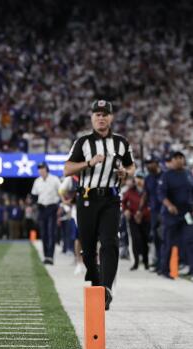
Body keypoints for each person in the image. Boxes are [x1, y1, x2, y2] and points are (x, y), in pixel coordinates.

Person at [64, 100, 135, 310]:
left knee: (110, 242)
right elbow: (67, 169)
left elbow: (131, 166)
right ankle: (97, 283)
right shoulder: (83, 143)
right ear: (92, 118)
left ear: (111, 118)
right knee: (87, 247)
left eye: (105, 114)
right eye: (97, 114)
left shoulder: (121, 143)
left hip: (111, 199)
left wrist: (126, 173)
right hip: (86, 198)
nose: (101, 118)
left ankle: (106, 288)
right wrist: (89, 163)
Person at [157, 151, 193, 278]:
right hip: (171, 214)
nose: (179, 160)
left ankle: (191, 270)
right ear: (171, 161)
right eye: (176, 158)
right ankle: (164, 270)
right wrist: (169, 205)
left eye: (181, 157)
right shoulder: (166, 175)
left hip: (186, 214)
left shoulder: (188, 174)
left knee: (189, 240)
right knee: (168, 242)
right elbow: (161, 194)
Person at [31, 162, 61, 264]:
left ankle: (50, 256)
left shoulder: (55, 179)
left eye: (42, 168)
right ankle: (46, 256)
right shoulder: (37, 181)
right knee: (43, 233)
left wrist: (59, 206)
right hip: (42, 208)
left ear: (46, 169)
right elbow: (34, 195)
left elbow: (60, 192)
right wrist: (35, 205)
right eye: (39, 169)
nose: (41, 170)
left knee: (51, 232)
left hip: (52, 207)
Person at [122, 173, 151, 270]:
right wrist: (126, 210)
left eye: (141, 178)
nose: (139, 180)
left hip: (145, 218)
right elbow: (123, 202)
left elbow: (151, 203)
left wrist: (143, 213)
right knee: (135, 239)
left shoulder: (148, 190)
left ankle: (146, 262)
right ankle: (136, 262)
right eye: (137, 178)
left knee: (145, 240)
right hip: (133, 218)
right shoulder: (130, 191)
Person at [141, 155, 163, 269]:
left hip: (165, 211)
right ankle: (160, 262)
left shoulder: (165, 175)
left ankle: (167, 262)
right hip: (154, 212)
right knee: (156, 238)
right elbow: (145, 195)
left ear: (157, 162)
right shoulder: (148, 178)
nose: (149, 165)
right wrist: (140, 210)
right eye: (147, 163)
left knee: (165, 237)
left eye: (151, 163)